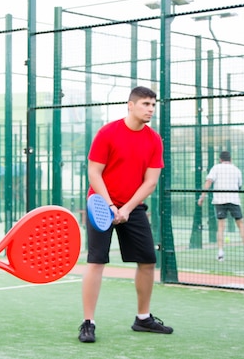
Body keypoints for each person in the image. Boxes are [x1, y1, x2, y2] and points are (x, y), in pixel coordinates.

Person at [78, 86, 173, 344]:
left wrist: (128, 208)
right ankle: (88, 322)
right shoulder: (107, 133)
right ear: (130, 105)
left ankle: (143, 318)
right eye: (145, 104)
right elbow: (94, 173)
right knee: (96, 261)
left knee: (148, 260)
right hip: (100, 203)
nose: (151, 109)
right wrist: (110, 206)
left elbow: (150, 181)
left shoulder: (154, 140)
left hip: (133, 207)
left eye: (153, 105)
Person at [197, 151, 244, 262]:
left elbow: (208, 182)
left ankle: (220, 253)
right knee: (241, 224)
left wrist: (202, 197)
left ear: (220, 159)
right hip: (234, 200)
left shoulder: (216, 168)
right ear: (231, 159)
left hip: (220, 200)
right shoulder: (236, 170)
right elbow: (239, 186)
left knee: (221, 226)